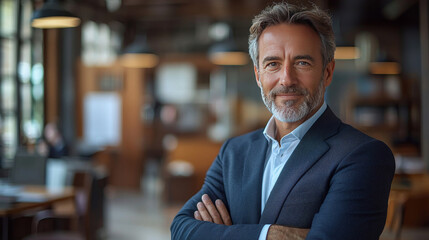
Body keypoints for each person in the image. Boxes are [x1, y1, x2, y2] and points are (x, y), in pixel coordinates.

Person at [171, 2, 395, 240]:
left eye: (302, 62)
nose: (286, 79)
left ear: (327, 72)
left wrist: (224, 233)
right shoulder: (233, 153)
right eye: (273, 64)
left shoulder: (363, 156)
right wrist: (269, 235)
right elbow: (182, 229)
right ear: (258, 75)